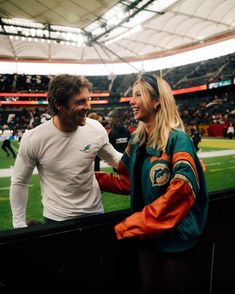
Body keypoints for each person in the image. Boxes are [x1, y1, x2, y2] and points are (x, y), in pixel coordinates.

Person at [95, 73, 208, 294]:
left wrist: (132, 224)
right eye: (132, 95)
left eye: (138, 95)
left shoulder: (179, 140)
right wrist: (92, 179)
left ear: (157, 101)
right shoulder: (136, 141)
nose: (131, 101)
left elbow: (182, 191)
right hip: (145, 234)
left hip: (174, 238)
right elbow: (127, 182)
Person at [10, 74, 122, 229]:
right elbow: (19, 182)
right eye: (80, 101)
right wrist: (19, 224)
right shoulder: (34, 138)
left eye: (88, 99)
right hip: (56, 220)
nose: (88, 106)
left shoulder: (96, 129)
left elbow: (115, 159)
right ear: (58, 105)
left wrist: (147, 160)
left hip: (95, 214)